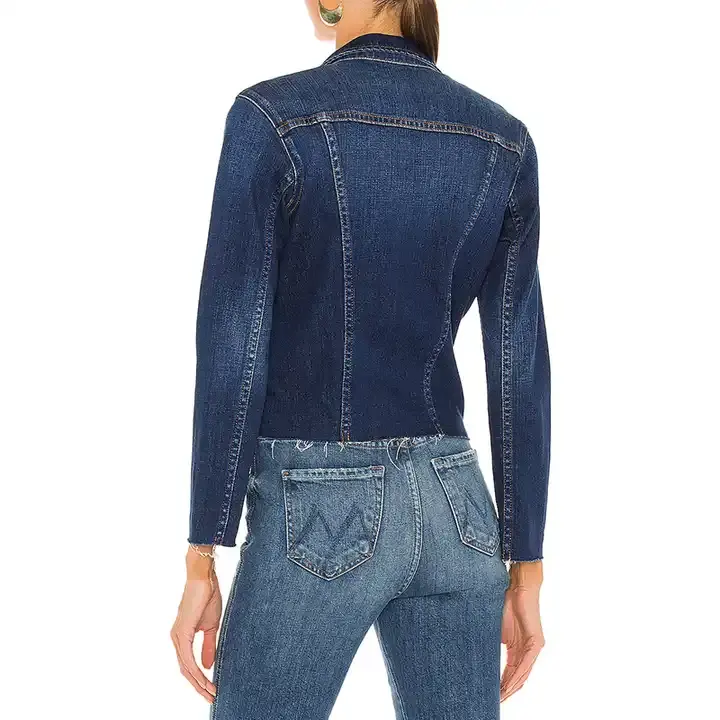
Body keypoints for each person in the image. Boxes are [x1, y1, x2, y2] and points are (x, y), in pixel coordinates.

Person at [170, 1, 550, 718]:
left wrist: (203, 551)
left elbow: (232, 341)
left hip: (319, 509)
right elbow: (518, 365)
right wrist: (525, 562)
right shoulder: (503, 140)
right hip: (458, 510)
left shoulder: (272, 118)